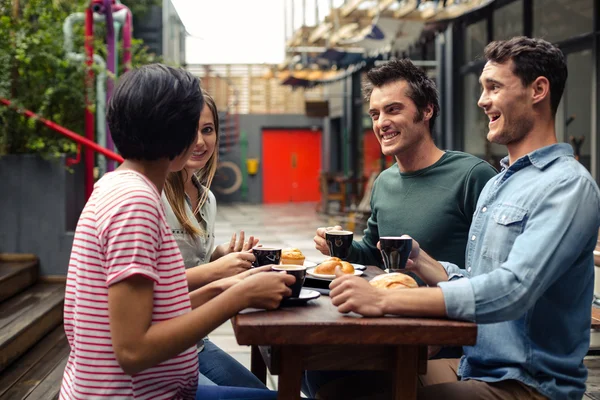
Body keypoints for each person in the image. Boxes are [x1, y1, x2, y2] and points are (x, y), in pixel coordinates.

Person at [328, 37, 600, 400]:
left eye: (494, 87)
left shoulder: (566, 185)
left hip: (528, 385)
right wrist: (425, 263)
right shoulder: (499, 183)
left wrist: (384, 301)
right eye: (482, 88)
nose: (482, 100)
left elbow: (510, 290)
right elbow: (476, 281)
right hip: (476, 365)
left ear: (538, 90)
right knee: (336, 383)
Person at [60, 64, 292, 400]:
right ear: (178, 132)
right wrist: (237, 297)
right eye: (193, 127)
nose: (199, 140)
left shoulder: (121, 186)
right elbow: (133, 351)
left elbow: (157, 308)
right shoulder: (134, 202)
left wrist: (226, 286)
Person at [305, 58, 497, 397]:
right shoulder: (384, 182)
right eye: (375, 114)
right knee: (312, 369)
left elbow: (495, 276)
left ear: (426, 111)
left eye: (392, 110)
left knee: (334, 383)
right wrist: (340, 246)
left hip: (448, 334)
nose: (382, 123)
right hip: (391, 320)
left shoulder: (472, 175)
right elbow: (375, 250)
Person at [161, 90, 265, 389]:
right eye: (189, 130)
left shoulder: (208, 199)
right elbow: (151, 289)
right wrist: (220, 272)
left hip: (195, 341)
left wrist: (220, 256)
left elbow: (195, 264)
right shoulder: (151, 195)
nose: (199, 141)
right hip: (161, 349)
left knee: (261, 390)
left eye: (207, 130)